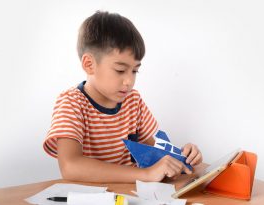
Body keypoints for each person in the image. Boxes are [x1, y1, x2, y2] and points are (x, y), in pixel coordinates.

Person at [43, 11, 202, 183]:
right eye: (120, 70)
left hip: (132, 195)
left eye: (135, 71)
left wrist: (181, 156)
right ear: (89, 64)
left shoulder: (133, 101)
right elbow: (70, 166)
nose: (129, 81)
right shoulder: (71, 103)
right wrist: (146, 175)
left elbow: (157, 154)